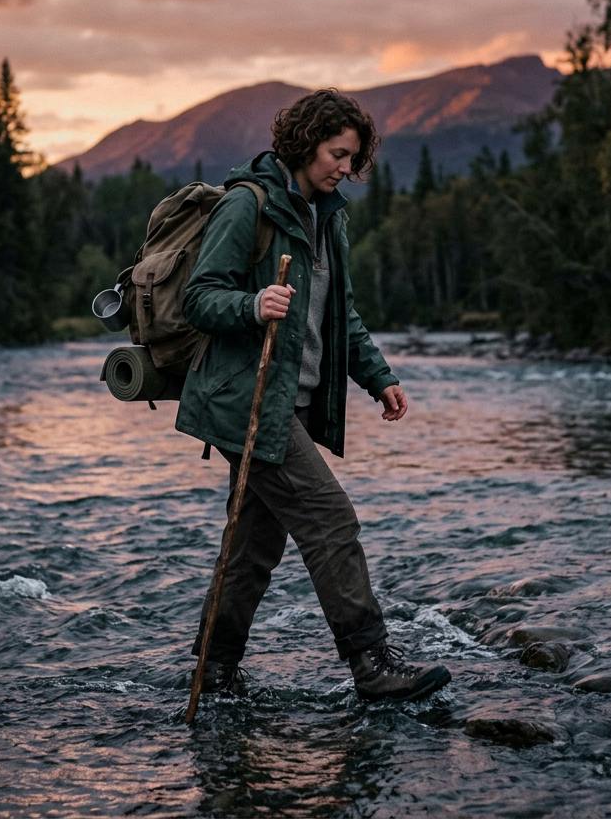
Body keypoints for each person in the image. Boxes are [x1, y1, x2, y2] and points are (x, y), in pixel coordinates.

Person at [175, 89, 451, 703]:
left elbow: (339, 318)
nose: (345, 169)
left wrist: (379, 377)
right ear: (305, 143)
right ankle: (372, 666)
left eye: (353, 159)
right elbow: (199, 298)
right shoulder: (247, 206)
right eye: (337, 154)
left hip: (288, 402)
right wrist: (251, 304)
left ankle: (214, 670)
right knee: (331, 520)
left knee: (252, 547)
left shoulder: (329, 216)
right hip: (247, 403)